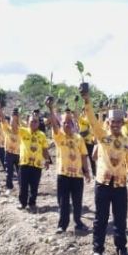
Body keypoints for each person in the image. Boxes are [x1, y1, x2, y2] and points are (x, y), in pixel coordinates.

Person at [82, 90, 128, 255]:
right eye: (112, 122)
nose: (115, 124)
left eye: (118, 122)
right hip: (103, 183)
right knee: (101, 218)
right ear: (109, 122)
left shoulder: (126, 140)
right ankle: (98, 249)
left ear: (122, 122)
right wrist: (87, 101)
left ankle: (121, 249)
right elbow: (93, 121)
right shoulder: (102, 137)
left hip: (120, 185)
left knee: (120, 220)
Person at [45, 98, 91, 233]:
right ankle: (62, 225)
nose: (67, 125)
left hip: (77, 175)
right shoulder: (59, 137)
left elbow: (83, 155)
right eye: (64, 123)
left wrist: (86, 171)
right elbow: (54, 124)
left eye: (69, 123)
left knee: (77, 202)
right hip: (63, 175)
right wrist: (50, 109)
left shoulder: (79, 138)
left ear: (73, 124)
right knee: (63, 202)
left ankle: (78, 222)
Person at [16, 110, 50, 213]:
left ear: (38, 123)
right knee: (23, 185)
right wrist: (16, 115)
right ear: (27, 122)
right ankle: (22, 203)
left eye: (35, 121)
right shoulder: (22, 131)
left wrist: (47, 160)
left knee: (34, 185)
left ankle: (32, 203)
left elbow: (44, 149)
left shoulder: (42, 135)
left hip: (37, 164)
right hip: (24, 163)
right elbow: (13, 127)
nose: (33, 123)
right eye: (31, 121)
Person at [0, 106, 21, 191]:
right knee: (9, 172)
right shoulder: (7, 129)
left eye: (15, 119)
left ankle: (22, 187)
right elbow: (3, 119)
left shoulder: (21, 130)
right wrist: (0, 109)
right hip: (9, 153)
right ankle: (9, 187)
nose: (13, 122)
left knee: (20, 172)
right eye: (12, 120)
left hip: (19, 154)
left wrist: (16, 116)